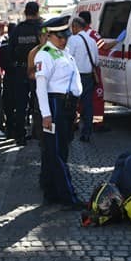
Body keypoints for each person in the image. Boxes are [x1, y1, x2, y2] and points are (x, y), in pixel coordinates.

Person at [34, 16, 83, 207]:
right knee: (57, 153)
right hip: (54, 106)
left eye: (66, 37)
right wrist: (46, 114)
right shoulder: (45, 54)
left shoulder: (64, 52)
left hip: (66, 106)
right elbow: (41, 87)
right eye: (60, 37)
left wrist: (74, 107)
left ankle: (50, 191)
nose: (64, 41)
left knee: (56, 151)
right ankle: (67, 197)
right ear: (50, 36)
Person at [8, 1, 42, 146]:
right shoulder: (42, 29)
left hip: (20, 70)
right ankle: (39, 133)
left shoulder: (17, 29)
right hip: (38, 70)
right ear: (37, 12)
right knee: (40, 102)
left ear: (25, 13)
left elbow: (10, 50)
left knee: (20, 104)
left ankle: (20, 136)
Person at [67, 16, 99, 142]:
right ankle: (87, 132)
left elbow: (68, 58)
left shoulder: (73, 39)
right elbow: (96, 61)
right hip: (89, 76)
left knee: (71, 104)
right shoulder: (92, 41)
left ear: (75, 27)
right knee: (88, 104)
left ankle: (70, 130)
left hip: (75, 76)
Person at [78, 11, 110, 133]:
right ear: (90, 21)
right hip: (92, 70)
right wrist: (117, 41)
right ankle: (97, 124)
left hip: (78, 71)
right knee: (97, 97)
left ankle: (75, 122)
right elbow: (105, 47)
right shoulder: (93, 34)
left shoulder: (74, 36)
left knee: (78, 98)